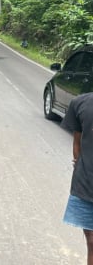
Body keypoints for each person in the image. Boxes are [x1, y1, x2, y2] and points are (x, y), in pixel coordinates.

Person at [61, 93, 93, 264]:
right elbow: (77, 144)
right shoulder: (80, 103)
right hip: (87, 187)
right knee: (92, 242)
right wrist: (81, 166)